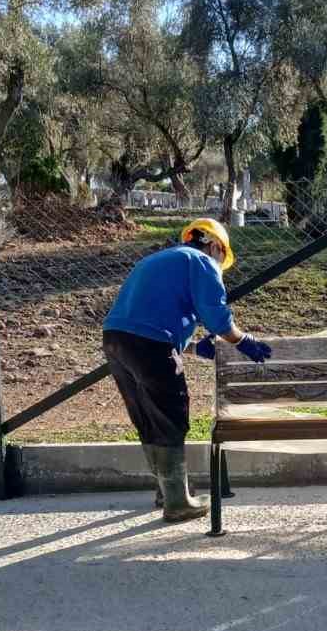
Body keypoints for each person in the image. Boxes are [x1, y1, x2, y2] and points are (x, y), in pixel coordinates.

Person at [102, 217, 273, 522]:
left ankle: (165, 492)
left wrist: (192, 347)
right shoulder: (202, 261)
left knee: (148, 417)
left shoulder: (158, 260)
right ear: (215, 245)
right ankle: (178, 502)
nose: (220, 264)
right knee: (171, 416)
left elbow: (150, 320)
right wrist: (242, 340)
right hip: (150, 344)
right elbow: (215, 315)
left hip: (115, 340)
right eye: (222, 257)